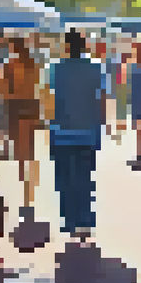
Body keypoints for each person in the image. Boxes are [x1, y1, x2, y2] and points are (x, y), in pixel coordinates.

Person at [47, 30, 106, 243]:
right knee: (84, 176)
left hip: (61, 130)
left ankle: (70, 220)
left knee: (65, 178)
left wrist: (48, 122)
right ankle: (85, 220)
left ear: (66, 46)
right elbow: (101, 98)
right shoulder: (96, 67)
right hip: (88, 130)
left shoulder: (55, 68)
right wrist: (102, 124)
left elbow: (49, 98)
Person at [0, 38, 43, 204]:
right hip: (31, 105)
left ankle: (25, 182)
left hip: (15, 107)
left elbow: (2, 91)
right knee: (30, 147)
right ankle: (31, 185)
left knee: (19, 148)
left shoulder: (8, 66)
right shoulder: (34, 65)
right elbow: (37, 86)